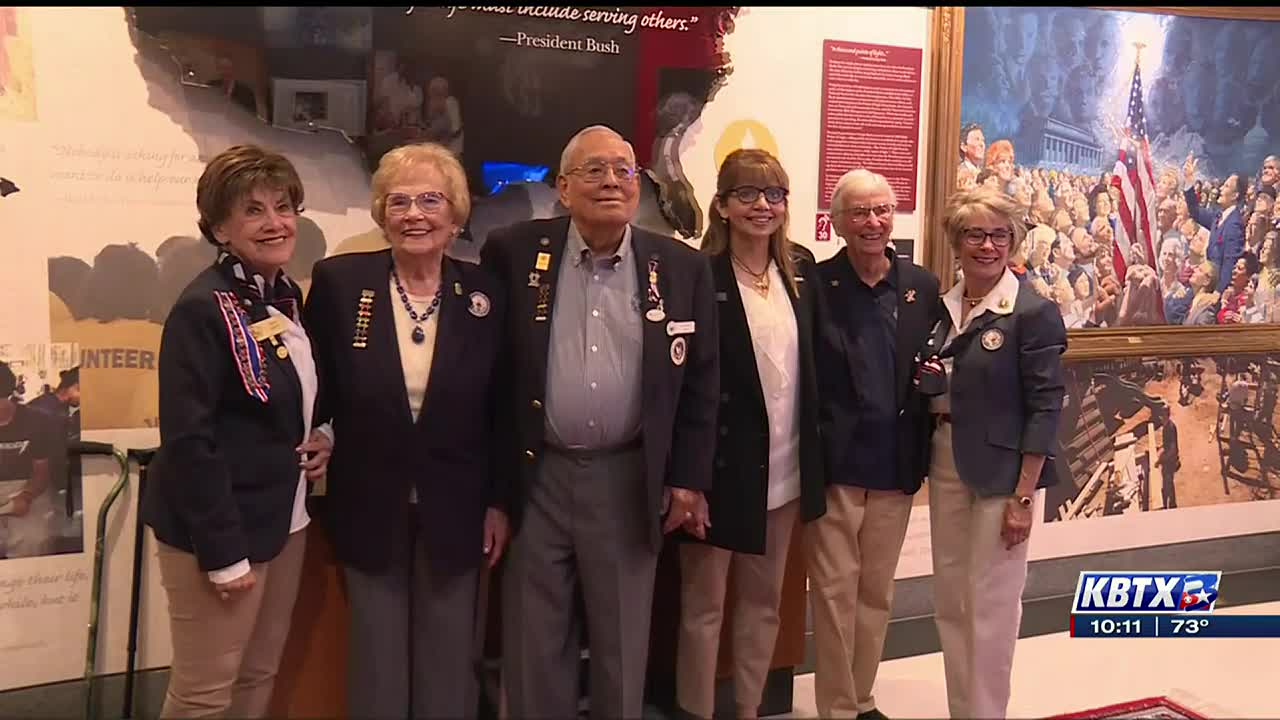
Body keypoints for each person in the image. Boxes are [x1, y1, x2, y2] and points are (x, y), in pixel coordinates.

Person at [481, 125, 719, 719]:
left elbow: (702, 386)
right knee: (535, 643)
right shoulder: (512, 252)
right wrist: (494, 492)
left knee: (621, 641)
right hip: (538, 476)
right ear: (562, 188)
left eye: (624, 169)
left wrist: (687, 479)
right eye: (594, 170)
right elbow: (489, 379)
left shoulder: (680, 267)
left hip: (626, 477)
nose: (611, 181)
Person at [304, 142, 509, 719]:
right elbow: (318, 381)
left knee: (449, 658)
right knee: (376, 657)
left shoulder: (487, 294)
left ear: (454, 215)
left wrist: (498, 501)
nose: (414, 214)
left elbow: (502, 408)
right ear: (381, 212)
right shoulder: (342, 283)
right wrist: (324, 432)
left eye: (429, 200)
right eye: (399, 201)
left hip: (460, 504)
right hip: (369, 498)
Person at [140, 145, 333, 718]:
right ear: (219, 227)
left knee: (257, 677)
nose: (275, 222)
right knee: (204, 694)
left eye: (283, 206)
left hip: (285, 518)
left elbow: (290, 396)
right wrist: (224, 555)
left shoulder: (281, 294)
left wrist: (320, 432)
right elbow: (188, 443)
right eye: (253, 211)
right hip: (219, 532)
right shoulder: (201, 308)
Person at [676, 149, 828, 720]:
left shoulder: (802, 269)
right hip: (715, 472)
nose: (762, 206)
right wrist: (686, 479)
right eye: (747, 194)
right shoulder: (698, 273)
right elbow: (684, 381)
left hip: (785, 469)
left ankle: (747, 710)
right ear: (721, 205)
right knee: (704, 608)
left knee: (765, 604)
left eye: (774, 195)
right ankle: (695, 711)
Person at [916, 187, 1066, 719]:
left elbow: (1046, 407)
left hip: (1005, 476)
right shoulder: (942, 307)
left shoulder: (1031, 312)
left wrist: (1025, 495)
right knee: (952, 604)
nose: (987, 245)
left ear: (1013, 241)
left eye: (999, 234)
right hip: (947, 460)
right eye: (975, 234)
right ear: (956, 240)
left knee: (992, 609)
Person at [810, 169, 940, 720]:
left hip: (896, 464)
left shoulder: (921, 287)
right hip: (835, 465)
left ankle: (862, 699)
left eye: (882, 210)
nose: (872, 222)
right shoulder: (813, 286)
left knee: (876, 594)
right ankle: (838, 709)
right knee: (835, 595)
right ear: (837, 222)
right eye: (859, 212)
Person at [0, 360, 63, 559]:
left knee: (33, 541)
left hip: (27, 488)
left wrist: (25, 497)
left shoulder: (37, 421)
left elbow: (41, 472)